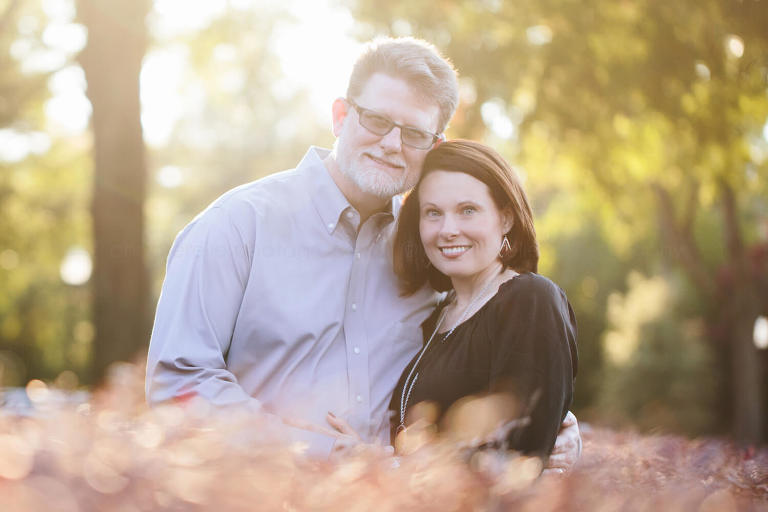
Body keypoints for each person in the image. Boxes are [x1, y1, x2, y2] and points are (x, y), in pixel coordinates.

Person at [146, 37, 580, 467]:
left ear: (434, 147)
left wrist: (547, 424)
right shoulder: (236, 227)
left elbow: (473, 362)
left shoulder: (429, 253)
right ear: (340, 116)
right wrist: (312, 451)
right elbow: (178, 383)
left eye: (413, 132)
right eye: (376, 120)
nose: (392, 144)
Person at [387, 140, 577, 461]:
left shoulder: (531, 302)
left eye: (468, 210)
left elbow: (515, 452)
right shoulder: (437, 317)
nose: (448, 230)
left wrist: (393, 469)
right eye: (433, 213)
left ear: (505, 219)